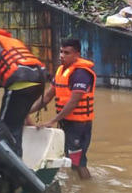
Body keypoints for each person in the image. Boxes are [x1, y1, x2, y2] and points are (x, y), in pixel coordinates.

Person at [28, 38, 95, 180]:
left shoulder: (81, 74)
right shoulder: (60, 71)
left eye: (67, 53)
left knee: (79, 162)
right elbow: (47, 97)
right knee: (69, 158)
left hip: (79, 126)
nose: (61, 56)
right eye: (61, 52)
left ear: (77, 54)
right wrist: (26, 111)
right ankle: (75, 186)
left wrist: (51, 121)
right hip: (67, 122)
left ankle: (87, 189)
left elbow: (73, 102)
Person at [0, 28, 48, 157]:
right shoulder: (11, 42)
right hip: (39, 80)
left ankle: (14, 163)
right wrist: (29, 121)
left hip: (20, 83)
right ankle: (18, 157)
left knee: (4, 127)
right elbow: (19, 106)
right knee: (15, 123)